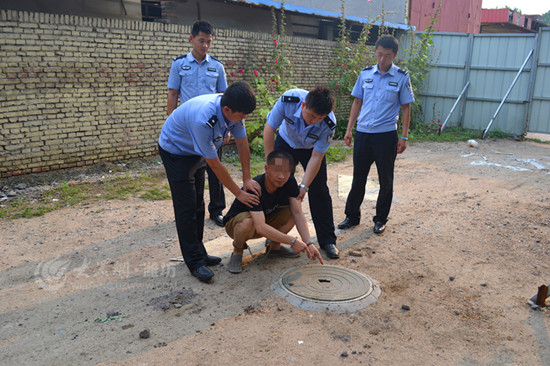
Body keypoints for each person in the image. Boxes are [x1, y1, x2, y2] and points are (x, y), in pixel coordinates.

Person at [158, 81, 261, 283]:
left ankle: (200, 253)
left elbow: (242, 145)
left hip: (194, 150)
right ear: (227, 109)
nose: (244, 119)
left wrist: (247, 178)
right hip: (175, 151)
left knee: (198, 203)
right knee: (186, 207)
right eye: (241, 115)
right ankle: (195, 262)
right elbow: (215, 165)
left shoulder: (234, 114)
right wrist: (238, 193)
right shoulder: (204, 119)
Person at [338, 35, 415, 235]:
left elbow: (406, 108)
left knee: (385, 179)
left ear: (395, 55)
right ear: (376, 52)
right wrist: (349, 129)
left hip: (386, 136)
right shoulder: (365, 74)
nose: (382, 60)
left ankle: (380, 219)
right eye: (379, 54)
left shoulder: (401, 76)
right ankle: (352, 216)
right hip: (363, 134)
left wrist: (404, 136)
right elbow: (357, 102)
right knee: (358, 178)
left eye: (387, 56)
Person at [263, 86, 340, 259]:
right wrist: (271, 164)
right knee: (279, 185)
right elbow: (269, 129)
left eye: (319, 118)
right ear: (304, 105)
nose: (314, 121)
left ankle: (328, 240)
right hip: (286, 143)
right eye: (312, 115)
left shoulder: (329, 123)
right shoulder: (288, 100)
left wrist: (304, 185)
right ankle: (273, 241)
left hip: (310, 150)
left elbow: (317, 156)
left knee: (319, 190)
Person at [167, 20, 227, 227]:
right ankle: (195, 207)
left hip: (214, 127)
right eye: (201, 41)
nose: (205, 46)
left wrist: (226, 127)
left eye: (209, 42)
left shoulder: (217, 66)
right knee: (194, 170)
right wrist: (170, 120)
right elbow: (173, 94)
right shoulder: (179, 64)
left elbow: (224, 98)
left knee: (215, 168)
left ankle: (217, 209)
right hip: (189, 127)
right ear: (191, 38)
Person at [223, 150, 324, 273]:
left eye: (286, 171)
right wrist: (292, 241)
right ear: (266, 168)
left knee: (292, 212)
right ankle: (237, 252)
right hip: (237, 226)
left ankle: (274, 247)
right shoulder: (254, 187)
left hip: (264, 219)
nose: (281, 176)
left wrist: (309, 243)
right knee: (248, 222)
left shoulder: (290, 182)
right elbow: (260, 226)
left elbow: (297, 213)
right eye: (277, 170)